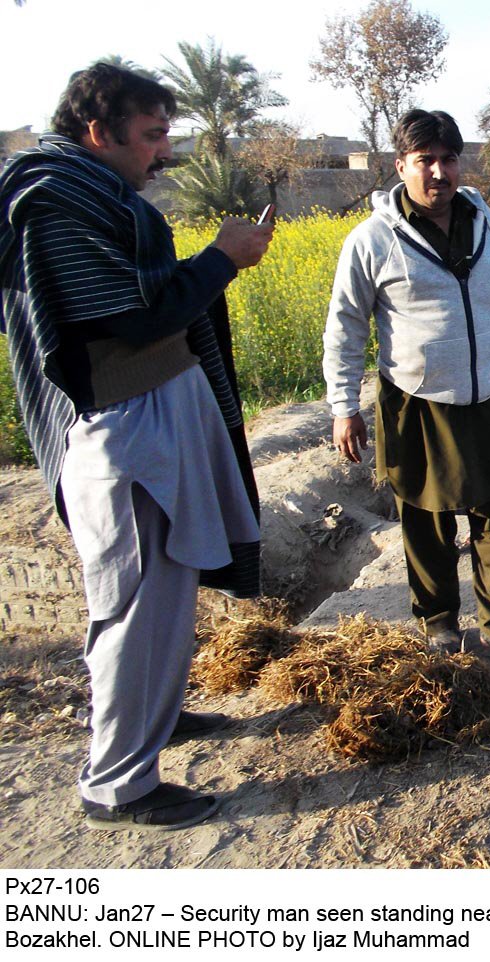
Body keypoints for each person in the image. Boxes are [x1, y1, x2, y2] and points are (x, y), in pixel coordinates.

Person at [0, 63, 273, 831]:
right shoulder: (56, 201)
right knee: (134, 604)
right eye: (151, 136)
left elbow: (142, 297)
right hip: (126, 432)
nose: (162, 154)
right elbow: (135, 320)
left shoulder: (93, 194)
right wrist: (223, 258)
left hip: (153, 417)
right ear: (100, 132)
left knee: (162, 594)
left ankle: (155, 715)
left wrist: (219, 258)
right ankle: (118, 782)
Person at [323, 109, 490, 668]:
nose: (439, 172)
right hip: (417, 400)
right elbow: (345, 324)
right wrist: (344, 406)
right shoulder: (372, 240)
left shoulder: (485, 224)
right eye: (426, 161)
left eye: (448, 159)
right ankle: (440, 624)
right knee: (426, 520)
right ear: (401, 166)